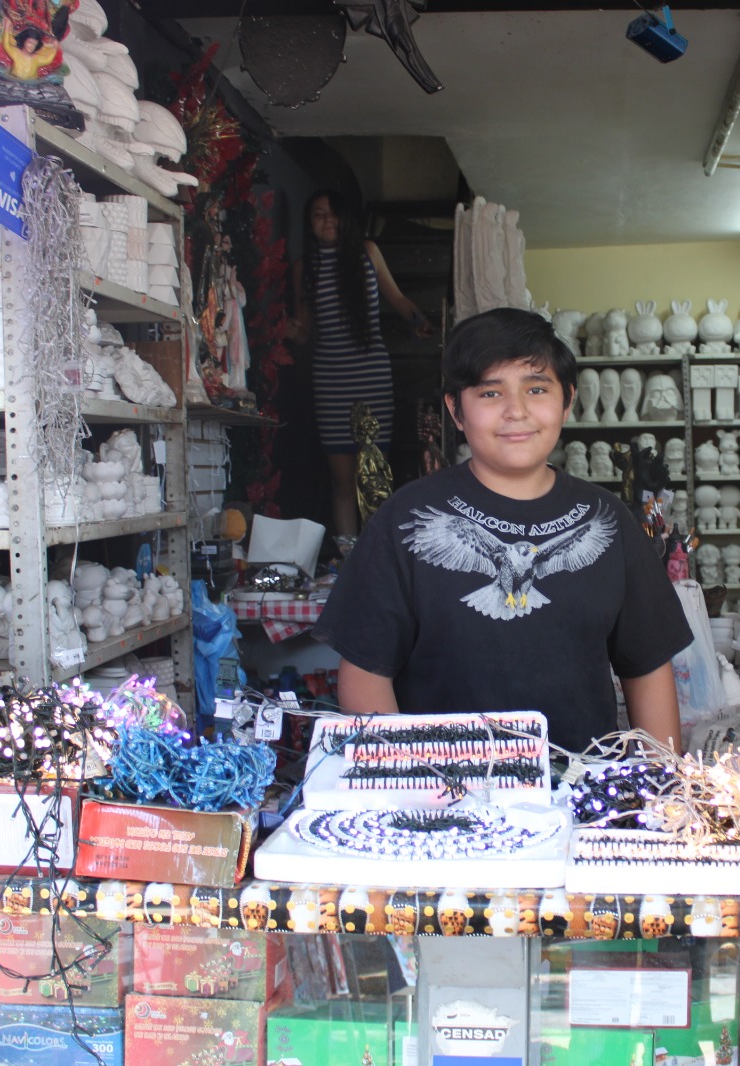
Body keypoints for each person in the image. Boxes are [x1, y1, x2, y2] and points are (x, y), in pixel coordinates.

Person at [313, 308, 693, 753]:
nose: (516, 411)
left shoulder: (607, 518)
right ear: (456, 410)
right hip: (444, 785)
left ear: (568, 400)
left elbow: (647, 666)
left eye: (537, 389)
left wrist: (661, 781)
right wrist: (411, 777)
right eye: (490, 392)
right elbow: (365, 674)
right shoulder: (404, 517)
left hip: (582, 784)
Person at [288, 190, 433, 548]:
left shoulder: (368, 252)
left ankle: (379, 553)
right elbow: (305, 332)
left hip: (371, 374)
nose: (327, 220)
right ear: (309, 223)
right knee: (341, 478)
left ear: (345, 218)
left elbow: (397, 298)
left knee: (373, 475)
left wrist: (419, 320)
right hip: (330, 377)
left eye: (333, 212)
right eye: (318, 214)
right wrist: (289, 331)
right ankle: (348, 557)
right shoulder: (304, 267)